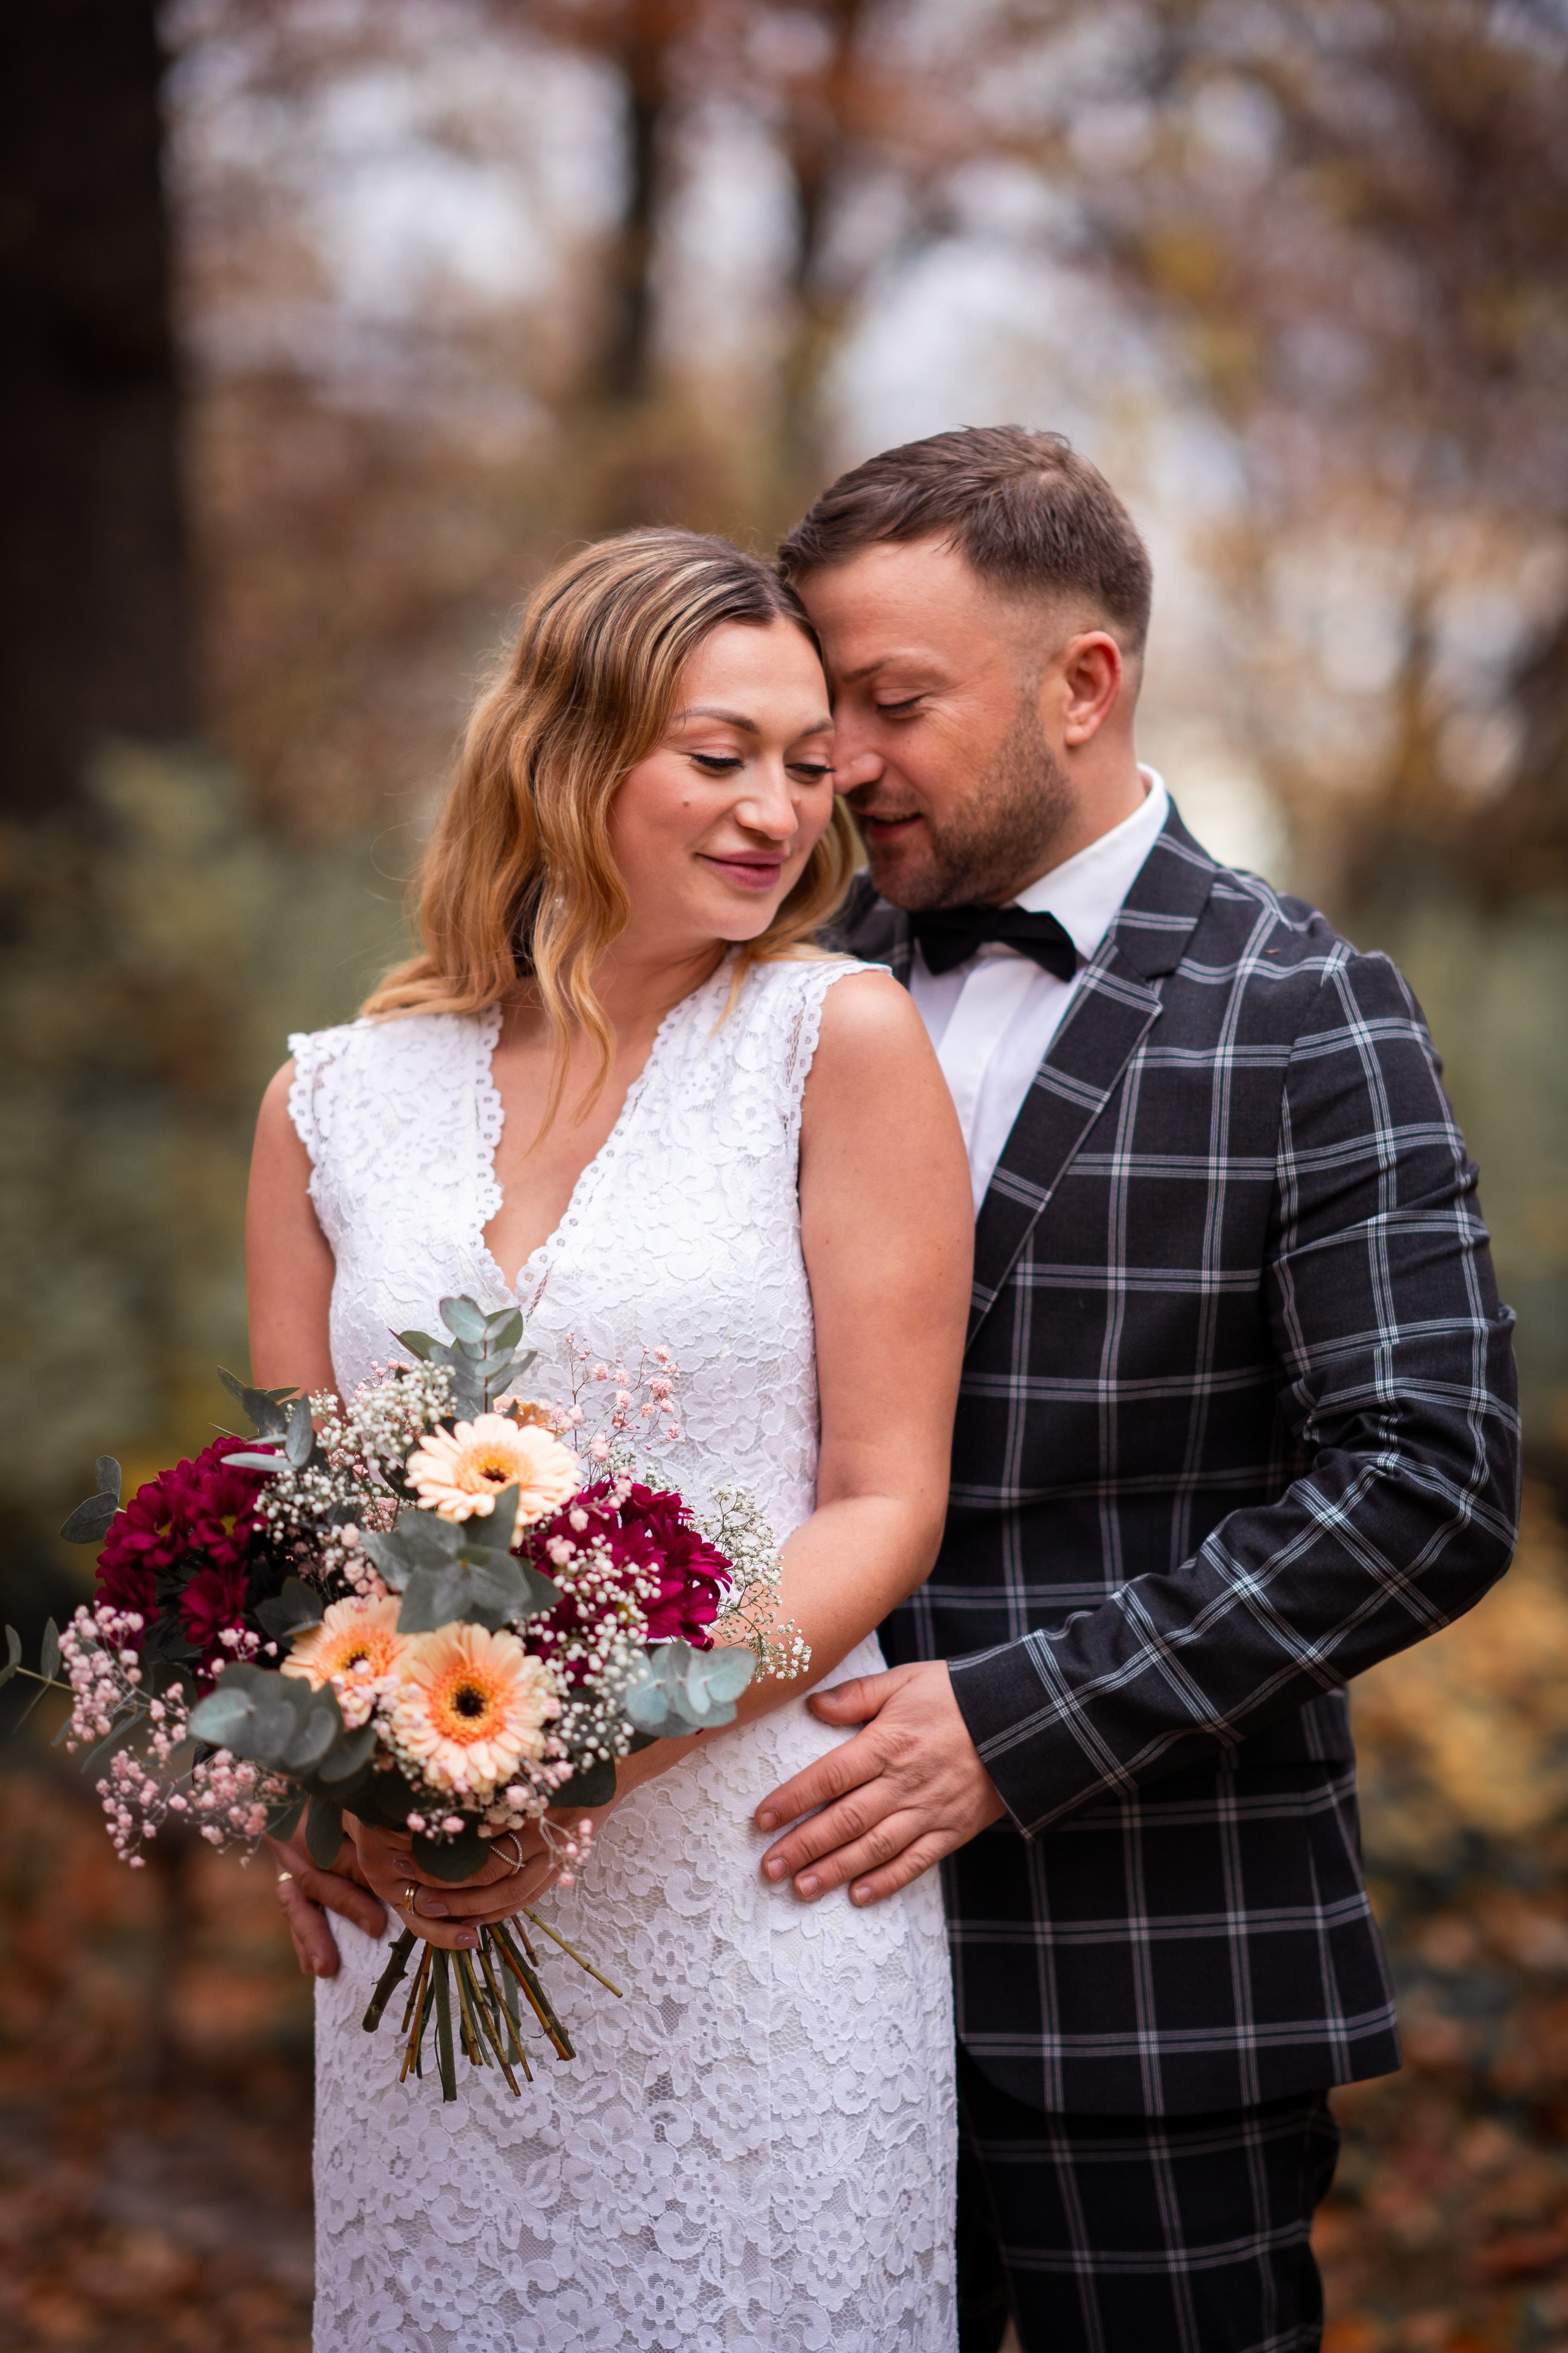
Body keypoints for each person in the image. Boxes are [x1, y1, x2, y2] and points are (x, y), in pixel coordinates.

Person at [754, 425, 1523, 2353]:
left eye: (892, 700)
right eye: (818, 701)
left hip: (1156, 1978)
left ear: (1083, 683)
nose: (837, 759)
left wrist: (1013, 1725)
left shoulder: (1305, 1005)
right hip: (774, 1967)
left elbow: (1425, 1480)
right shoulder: (755, 999)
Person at [244, 528, 973, 2352]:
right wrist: (324, 1781)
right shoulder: (328, 1099)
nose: (777, 811)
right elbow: (302, 1510)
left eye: (809, 767)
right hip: (436, 1908)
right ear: (566, 748)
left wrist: (585, 1755)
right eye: (719, 754)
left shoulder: (838, 1038)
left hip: (760, 1873)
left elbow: (886, 1497)